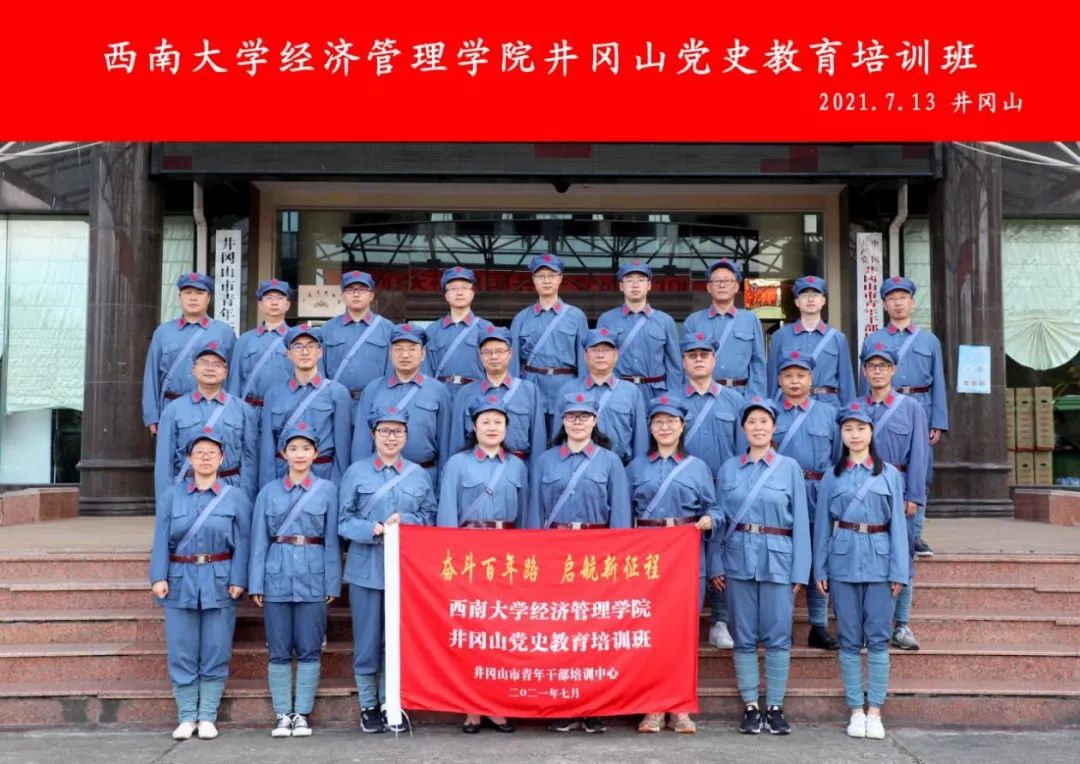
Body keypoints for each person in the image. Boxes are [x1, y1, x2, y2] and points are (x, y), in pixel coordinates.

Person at [526, 393, 632, 735]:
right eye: (571, 416)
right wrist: (535, 555)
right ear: (562, 421)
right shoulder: (544, 461)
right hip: (554, 552)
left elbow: (620, 513)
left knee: (593, 631)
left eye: (584, 416)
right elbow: (534, 510)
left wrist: (616, 557)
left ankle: (593, 706)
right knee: (559, 631)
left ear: (595, 421)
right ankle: (563, 704)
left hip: (595, 553)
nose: (577, 422)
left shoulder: (610, 461)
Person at [712, 396, 810, 736]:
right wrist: (715, 564)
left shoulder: (789, 467)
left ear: (774, 427)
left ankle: (776, 707)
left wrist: (801, 569)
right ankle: (751, 706)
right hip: (737, 557)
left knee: (778, 634)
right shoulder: (729, 468)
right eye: (751, 422)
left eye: (764, 421)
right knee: (743, 635)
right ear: (743, 429)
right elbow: (720, 519)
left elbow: (801, 520)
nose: (758, 427)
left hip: (778, 559)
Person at [813, 401, 909, 740]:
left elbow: (899, 527)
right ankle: (856, 709)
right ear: (841, 434)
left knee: (879, 639)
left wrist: (900, 572)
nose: (855, 435)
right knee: (849, 639)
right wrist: (820, 568)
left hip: (881, 563)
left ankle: (875, 712)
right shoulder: (832, 476)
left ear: (871, 432)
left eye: (861, 428)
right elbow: (822, 526)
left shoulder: (890, 474)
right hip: (842, 562)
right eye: (848, 429)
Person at [339, 404, 437, 734]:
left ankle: (389, 702)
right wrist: (371, 528)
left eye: (397, 431)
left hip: (405, 571)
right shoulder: (357, 472)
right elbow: (343, 521)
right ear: (373, 435)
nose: (391, 437)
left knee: (397, 640)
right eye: (384, 431)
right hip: (366, 569)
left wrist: (405, 521)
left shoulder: (418, 474)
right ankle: (368, 704)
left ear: (406, 436)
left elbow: (429, 516)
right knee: (367, 640)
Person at [626, 396, 721, 735]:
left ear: (682, 427)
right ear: (651, 429)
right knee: (650, 631)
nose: (665, 427)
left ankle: (680, 707)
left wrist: (711, 519)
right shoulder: (636, 467)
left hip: (685, 553)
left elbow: (715, 507)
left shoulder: (697, 467)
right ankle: (652, 706)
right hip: (647, 556)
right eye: (658, 422)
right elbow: (624, 515)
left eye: (671, 422)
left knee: (682, 633)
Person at [148, 432, 252, 741]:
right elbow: (161, 539)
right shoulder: (172, 496)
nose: (205, 457)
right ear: (189, 459)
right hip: (180, 578)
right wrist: (158, 576)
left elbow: (244, 541)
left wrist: (239, 579)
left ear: (222, 459)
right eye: (199, 453)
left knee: (216, 648)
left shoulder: (236, 497)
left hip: (220, 579)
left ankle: (207, 715)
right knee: (181, 648)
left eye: (212, 453)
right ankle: (186, 716)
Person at [437, 396, 527, 734]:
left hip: (507, 556)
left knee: (502, 632)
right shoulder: (457, 464)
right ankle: (472, 708)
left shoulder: (517, 466)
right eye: (485, 422)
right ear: (473, 427)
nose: (492, 428)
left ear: (506, 428)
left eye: (498, 422)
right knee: (471, 632)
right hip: (468, 555)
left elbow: (527, 515)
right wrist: (449, 558)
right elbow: (447, 513)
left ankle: (498, 705)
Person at [248, 422, 341, 739]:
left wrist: (332, 583)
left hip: (313, 576)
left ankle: (301, 713)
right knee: (278, 649)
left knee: (310, 648)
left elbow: (332, 541)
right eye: (293, 448)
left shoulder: (328, 491)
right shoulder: (268, 492)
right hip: (276, 576)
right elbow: (259, 540)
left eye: (306, 448)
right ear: (283, 454)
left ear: (316, 454)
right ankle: (282, 714)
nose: (299, 454)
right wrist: (256, 583)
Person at [860, 276, 948, 558]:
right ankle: (878, 524)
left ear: (912, 302)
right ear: (884, 304)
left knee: (919, 470)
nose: (898, 303)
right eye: (892, 298)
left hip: (921, 404)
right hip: (882, 405)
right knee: (878, 465)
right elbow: (865, 383)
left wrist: (938, 421)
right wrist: (862, 416)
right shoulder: (874, 340)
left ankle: (916, 532)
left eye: (903, 298)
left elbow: (939, 382)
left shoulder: (929, 340)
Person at [675, 330, 745, 649]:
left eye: (705, 355)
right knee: (683, 552)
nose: (699, 360)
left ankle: (720, 620)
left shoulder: (734, 400)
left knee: (721, 549)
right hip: (684, 488)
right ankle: (679, 619)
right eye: (692, 355)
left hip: (723, 485)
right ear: (683, 361)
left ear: (715, 360)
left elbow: (743, 450)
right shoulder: (672, 400)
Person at [771, 351, 843, 650]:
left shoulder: (828, 413)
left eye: (801, 375)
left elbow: (838, 459)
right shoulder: (769, 412)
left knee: (817, 558)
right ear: (779, 380)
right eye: (788, 375)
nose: (795, 381)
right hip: (780, 495)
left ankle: (818, 625)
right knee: (780, 557)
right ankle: (781, 624)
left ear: (811, 379)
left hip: (817, 493)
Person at [860, 344, 929, 652]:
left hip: (899, 490)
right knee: (866, 554)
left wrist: (914, 495)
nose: (877, 371)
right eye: (871, 366)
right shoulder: (855, 407)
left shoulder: (911, 407)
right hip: (863, 491)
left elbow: (920, 455)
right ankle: (868, 624)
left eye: (883, 366)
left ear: (893, 370)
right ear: (864, 371)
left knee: (903, 555)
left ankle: (901, 625)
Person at [352, 323, 452, 491]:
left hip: (424, 477)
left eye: (412, 349)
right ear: (390, 353)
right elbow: (361, 442)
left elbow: (446, 444)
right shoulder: (373, 389)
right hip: (379, 478)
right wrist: (361, 480)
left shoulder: (438, 391)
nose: (405, 355)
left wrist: (443, 486)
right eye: (398, 349)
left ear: (423, 354)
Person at [155, 340, 257, 500]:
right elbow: (164, 464)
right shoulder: (173, 410)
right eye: (204, 363)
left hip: (229, 492)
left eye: (217, 364)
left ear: (226, 372)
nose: (210, 368)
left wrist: (245, 499)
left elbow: (250, 462)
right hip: (186, 492)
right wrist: (166, 502)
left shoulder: (243, 411)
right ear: (193, 369)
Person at [143, 272, 237, 435]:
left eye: (199, 293)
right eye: (188, 293)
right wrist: (152, 416)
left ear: (208, 298)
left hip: (212, 410)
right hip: (171, 407)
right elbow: (152, 376)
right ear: (180, 297)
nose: (193, 298)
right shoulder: (163, 332)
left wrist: (231, 413)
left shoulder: (224, 332)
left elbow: (232, 376)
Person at [259, 325, 352, 488]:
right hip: (283, 477)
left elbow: (342, 449)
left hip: (323, 476)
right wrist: (267, 486)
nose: (305, 352)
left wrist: (338, 487)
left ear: (320, 352)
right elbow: (267, 446)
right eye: (298, 346)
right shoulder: (274, 394)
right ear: (288, 354)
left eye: (311, 346)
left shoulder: (337, 392)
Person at [449, 326, 546, 474]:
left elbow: (538, 442)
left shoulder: (529, 390)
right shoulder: (466, 393)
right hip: (475, 470)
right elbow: (457, 441)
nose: (493, 357)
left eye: (500, 351)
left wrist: (535, 477)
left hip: (518, 470)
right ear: (480, 355)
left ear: (510, 353)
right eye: (487, 352)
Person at [510, 253, 590, 434]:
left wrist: (583, 393)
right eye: (541, 276)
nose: (546, 280)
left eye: (552, 275)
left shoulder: (576, 316)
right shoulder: (521, 318)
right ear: (533, 279)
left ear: (560, 279)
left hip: (566, 385)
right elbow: (513, 361)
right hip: (531, 385)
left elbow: (584, 359)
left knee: (565, 438)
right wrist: (514, 392)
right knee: (531, 437)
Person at [556, 328, 648, 467]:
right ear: (585, 356)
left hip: (621, 466)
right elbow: (558, 438)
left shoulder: (631, 392)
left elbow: (640, 441)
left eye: (606, 350)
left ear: (616, 355)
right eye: (595, 350)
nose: (600, 355)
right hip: (575, 467)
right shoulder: (567, 390)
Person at [765, 276, 855, 407]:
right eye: (805, 295)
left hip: (828, 407)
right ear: (797, 301)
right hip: (791, 407)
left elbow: (846, 384)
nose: (810, 299)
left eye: (815, 294)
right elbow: (771, 381)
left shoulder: (838, 338)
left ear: (823, 300)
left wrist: (849, 413)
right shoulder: (780, 336)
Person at [682, 258, 766, 398]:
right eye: (716, 281)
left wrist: (754, 399)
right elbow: (685, 364)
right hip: (704, 394)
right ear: (709, 287)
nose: (722, 285)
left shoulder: (750, 319)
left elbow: (758, 363)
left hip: (741, 395)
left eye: (727, 281)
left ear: (736, 287)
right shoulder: (693, 321)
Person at [595, 261, 681, 394]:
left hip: (655, 393)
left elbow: (674, 365)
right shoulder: (607, 320)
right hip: (618, 392)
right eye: (629, 281)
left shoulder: (665, 321)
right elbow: (597, 361)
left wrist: (673, 397)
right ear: (621, 286)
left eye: (641, 280)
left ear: (649, 285)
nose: (635, 285)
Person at [319, 270, 393, 403]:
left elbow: (392, 370)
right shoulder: (328, 329)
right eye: (350, 289)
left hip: (374, 401)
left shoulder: (387, 328)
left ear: (371, 295)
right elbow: (319, 369)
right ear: (342, 296)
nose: (356, 294)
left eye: (362, 289)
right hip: (335, 402)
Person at [422, 266, 494, 389]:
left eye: (465, 287)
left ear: (472, 293)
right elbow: (425, 371)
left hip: (475, 393)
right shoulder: (432, 330)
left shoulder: (486, 328)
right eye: (453, 288)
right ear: (446, 295)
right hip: (441, 392)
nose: (459, 293)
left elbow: (496, 367)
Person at [228, 278, 295, 408]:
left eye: (280, 298)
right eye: (269, 298)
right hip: (249, 409)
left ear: (288, 304)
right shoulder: (245, 340)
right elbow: (235, 381)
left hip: (284, 409)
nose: (274, 302)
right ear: (260, 304)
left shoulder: (296, 339)